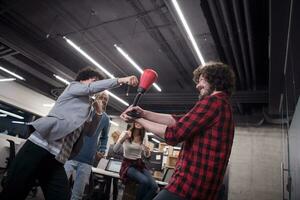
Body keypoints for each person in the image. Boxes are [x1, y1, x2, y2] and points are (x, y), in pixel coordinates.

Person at [0, 67, 138, 200]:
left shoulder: (89, 108)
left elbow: (89, 133)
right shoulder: (73, 87)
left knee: (61, 196)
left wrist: (98, 113)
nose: (96, 86)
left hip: (57, 157)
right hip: (39, 146)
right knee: (14, 192)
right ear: (83, 80)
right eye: (94, 81)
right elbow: (90, 88)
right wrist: (121, 80)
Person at [121, 62, 236, 200]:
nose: (197, 85)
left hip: (190, 185)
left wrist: (137, 120)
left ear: (214, 79)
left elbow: (174, 134)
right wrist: (143, 113)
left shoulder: (213, 102)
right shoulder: (223, 106)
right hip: (202, 189)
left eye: (201, 80)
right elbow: (177, 120)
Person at [64, 91, 110, 200]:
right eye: (101, 97)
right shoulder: (86, 110)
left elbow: (104, 137)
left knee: (78, 193)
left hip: (88, 158)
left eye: (105, 99)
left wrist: (102, 149)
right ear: (96, 97)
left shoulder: (106, 118)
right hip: (71, 153)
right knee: (60, 185)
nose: (103, 99)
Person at [113, 122, 158, 200]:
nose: (138, 123)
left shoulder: (144, 136)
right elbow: (115, 150)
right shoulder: (125, 133)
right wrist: (124, 138)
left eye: (141, 121)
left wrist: (147, 152)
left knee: (154, 187)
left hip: (139, 163)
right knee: (144, 181)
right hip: (128, 164)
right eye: (137, 120)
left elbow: (146, 154)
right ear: (134, 122)